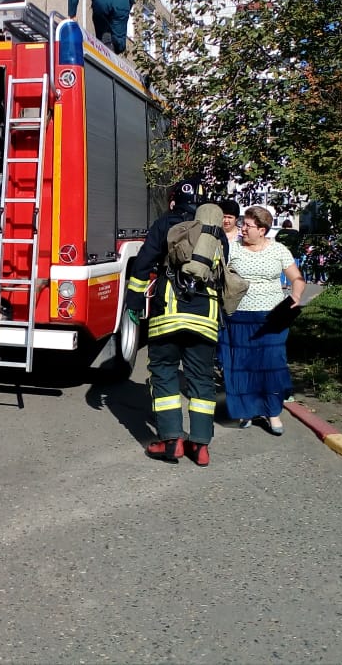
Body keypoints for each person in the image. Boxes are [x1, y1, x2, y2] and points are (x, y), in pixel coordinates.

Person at [125, 179, 220, 467]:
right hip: (206, 314)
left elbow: (143, 263)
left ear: (172, 201)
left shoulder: (165, 223)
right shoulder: (216, 231)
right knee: (201, 379)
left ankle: (172, 440)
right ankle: (200, 445)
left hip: (168, 310)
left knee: (164, 371)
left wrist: (134, 301)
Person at [220, 206, 305, 435]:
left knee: (272, 365)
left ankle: (273, 413)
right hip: (238, 317)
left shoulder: (278, 250)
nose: (243, 229)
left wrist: (296, 294)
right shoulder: (232, 249)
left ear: (262, 230)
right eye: (243, 224)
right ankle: (246, 411)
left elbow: (296, 278)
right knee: (242, 366)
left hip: (272, 318)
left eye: (248, 225)